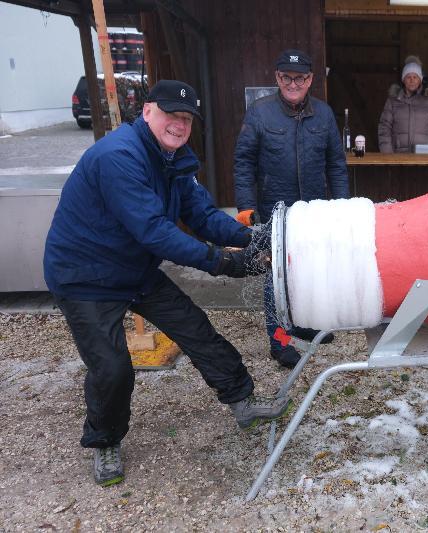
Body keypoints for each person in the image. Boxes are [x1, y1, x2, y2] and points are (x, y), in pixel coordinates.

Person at [43, 80, 289, 488]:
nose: (179, 124)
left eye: (186, 118)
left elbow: (203, 215)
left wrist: (257, 238)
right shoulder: (118, 156)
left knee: (196, 330)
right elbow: (155, 232)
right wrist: (223, 263)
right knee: (113, 367)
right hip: (84, 275)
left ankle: (243, 402)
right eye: (171, 114)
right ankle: (105, 440)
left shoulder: (175, 159)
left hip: (133, 269)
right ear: (147, 111)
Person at [234, 49, 350, 369]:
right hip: (274, 210)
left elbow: (336, 165)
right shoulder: (260, 113)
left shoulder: (324, 115)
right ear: (277, 78)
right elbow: (243, 163)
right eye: (287, 77)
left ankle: (300, 325)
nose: (293, 84)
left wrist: (341, 206)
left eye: (300, 78)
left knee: (307, 271)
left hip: (313, 210)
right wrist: (246, 207)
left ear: (310, 79)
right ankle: (279, 341)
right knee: (276, 277)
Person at [378, 55, 428, 153]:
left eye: (415, 77)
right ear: (403, 79)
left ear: (420, 80)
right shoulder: (392, 101)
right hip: (398, 156)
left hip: (425, 156)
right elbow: (384, 127)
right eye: (408, 77)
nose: (412, 80)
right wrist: (387, 154)